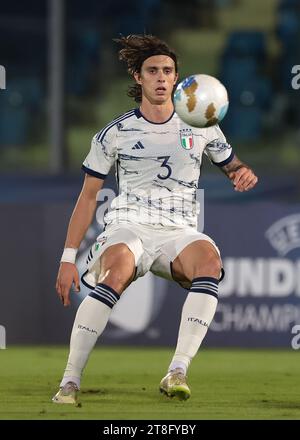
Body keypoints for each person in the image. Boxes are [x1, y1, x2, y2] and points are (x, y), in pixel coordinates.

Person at [52, 34, 258, 404]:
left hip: (178, 229)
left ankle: (177, 370)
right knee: (116, 272)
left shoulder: (201, 122)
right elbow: (87, 197)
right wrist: (68, 258)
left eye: (168, 71)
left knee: (209, 264)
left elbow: (233, 165)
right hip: (129, 224)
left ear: (177, 79)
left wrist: (242, 172)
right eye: (153, 71)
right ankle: (70, 380)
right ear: (137, 77)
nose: (161, 78)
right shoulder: (113, 134)